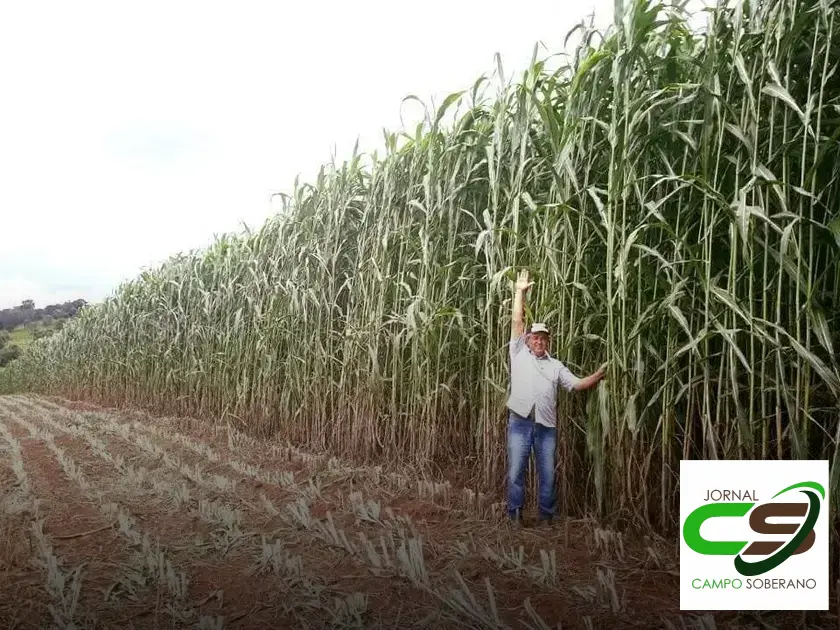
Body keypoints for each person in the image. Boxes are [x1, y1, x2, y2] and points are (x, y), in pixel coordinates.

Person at [506, 268, 606, 527]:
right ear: (528, 340)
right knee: (516, 471)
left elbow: (576, 384)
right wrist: (520, 293)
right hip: (520, 421)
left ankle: (546, 517)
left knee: (548, 474)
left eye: (544, 338)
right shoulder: (518, 352)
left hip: (546, 427)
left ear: (548, 342)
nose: (540, 342)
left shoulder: (555, 365)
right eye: (536, 337)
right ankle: (515, 514)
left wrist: (597, 375)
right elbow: (517, 320)